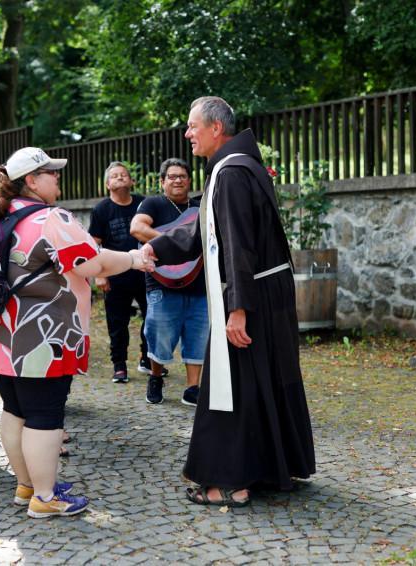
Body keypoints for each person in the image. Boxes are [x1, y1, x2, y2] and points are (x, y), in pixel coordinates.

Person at [142, 97, 316, 507]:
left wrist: (238, 310)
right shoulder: (236, 168)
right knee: (261, 380)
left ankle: (229, 483)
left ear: (216, 129)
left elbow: (237, 246)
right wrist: (156, 251)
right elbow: (205, 233)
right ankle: (271, 468)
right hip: (263, 290)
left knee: (230, 386)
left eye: (192, 126)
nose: (187, 134)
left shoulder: (231, 174)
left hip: (249, 293)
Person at [0, 147, 153, 518]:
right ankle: (44, 496)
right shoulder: (49, 218)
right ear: (32, 181)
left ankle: (27, 485)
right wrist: (134, 259)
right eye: (50, 172)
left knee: (15, 410)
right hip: (41, 338)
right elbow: (92, 262)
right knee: (45, 416)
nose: (57, 177)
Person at [130, 158, 207, 406]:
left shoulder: (199, 208)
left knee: (198, 335)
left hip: (198, 283)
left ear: (189, 181)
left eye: (182, 176)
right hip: (162, 284)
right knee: (159, 334)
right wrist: (177, 241)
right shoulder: (153, 204)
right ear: (162, 182)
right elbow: (137, 228)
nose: (177, 180)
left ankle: (192, 387)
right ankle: (155, 376)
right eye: (171, 176)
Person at [88, 162, 150, 383]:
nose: (120, 178)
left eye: (124, 175)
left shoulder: (143, 203)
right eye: (115, 176)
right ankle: (119, 365)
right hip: (115, 274)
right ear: (107, 184)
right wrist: (99, 274)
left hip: (144, 271)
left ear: (131, 181)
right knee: (117, 322)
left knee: (151, 317)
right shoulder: (101, 210)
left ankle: (147, 357)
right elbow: (94, 245)